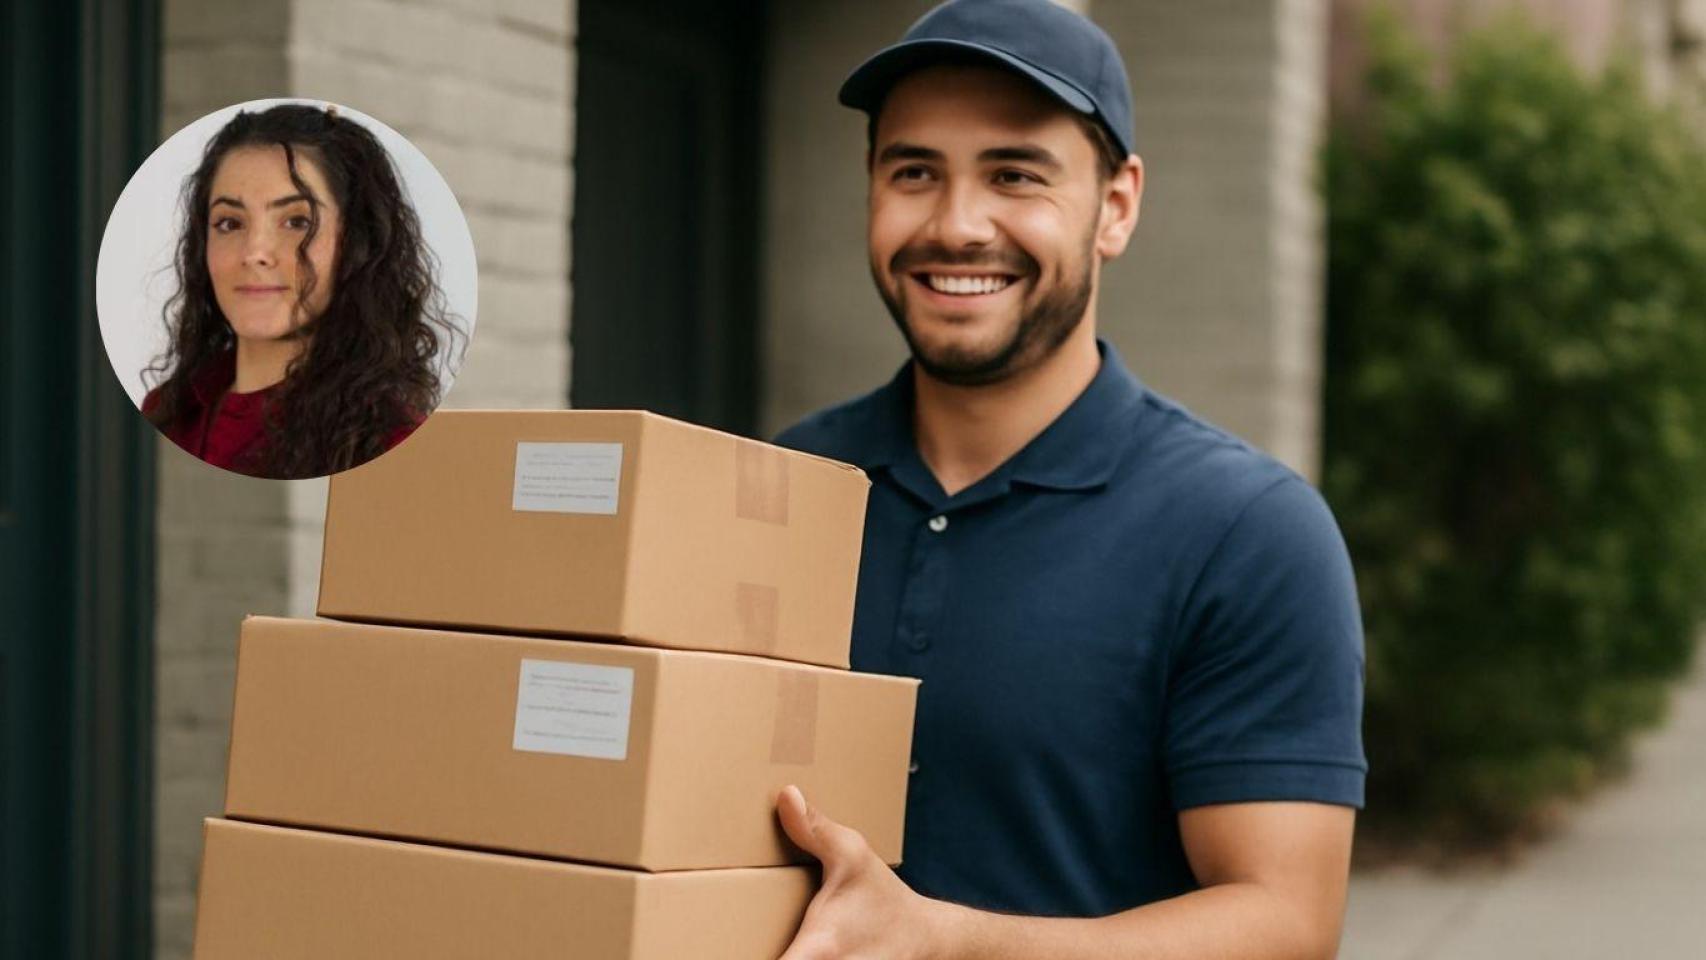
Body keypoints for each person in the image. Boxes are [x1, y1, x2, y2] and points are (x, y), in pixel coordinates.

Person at [770, 1, 1366, 957]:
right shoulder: (783, 484)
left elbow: (1285, 924)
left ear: (1116, 206)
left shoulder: (1248, 533)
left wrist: (942, 941)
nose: (957, 226)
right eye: (914, 171)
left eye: (1015, 174)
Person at [141, 103, 461, 479]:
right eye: (230, 223)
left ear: (355, 245)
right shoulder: (167, 411)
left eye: (296, 221)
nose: (255, 253)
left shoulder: (391, 444)